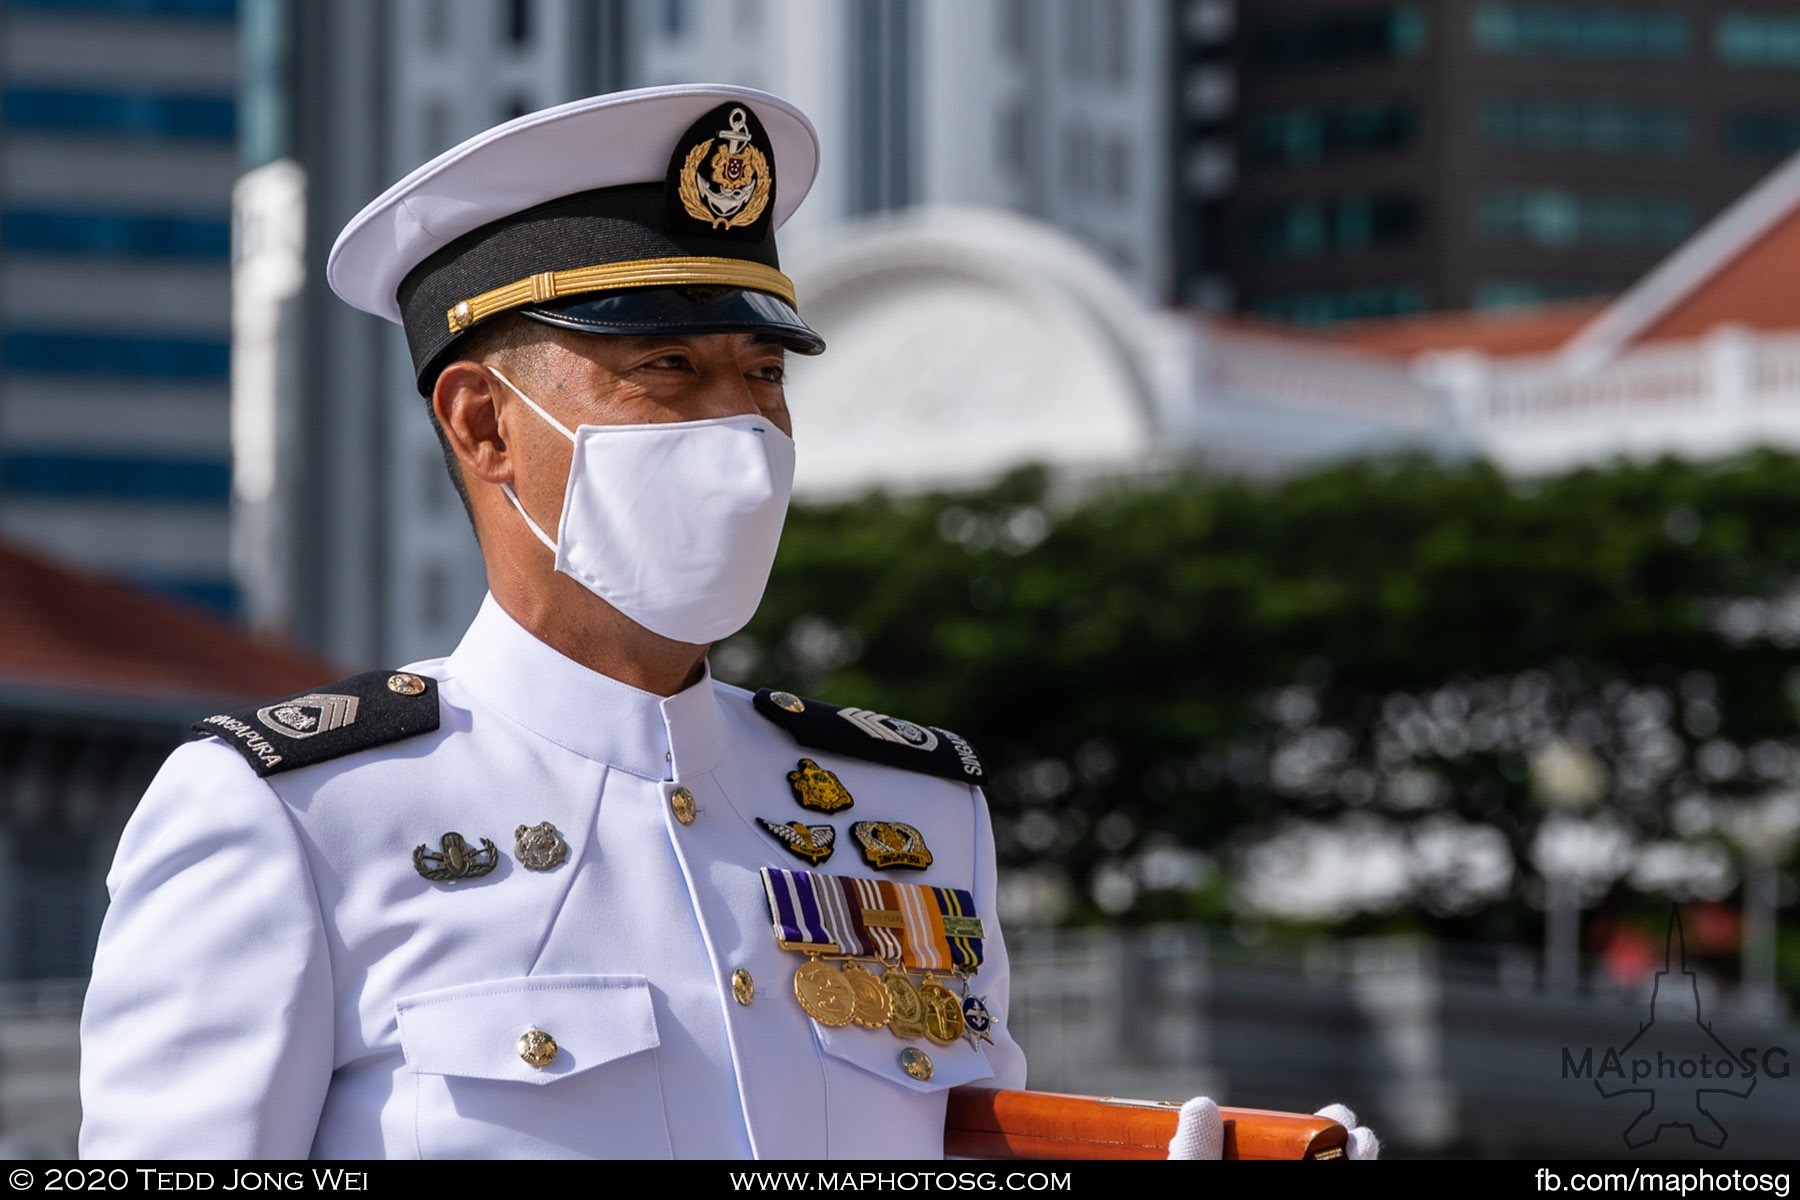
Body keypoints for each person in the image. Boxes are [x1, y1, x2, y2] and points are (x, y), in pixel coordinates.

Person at [79, 84, 1375, 1161]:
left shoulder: (911, 813)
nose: (741, 434)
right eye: (668, 374)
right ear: (483, 423)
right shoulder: (293, 813)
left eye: (762, 379)